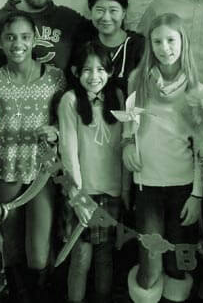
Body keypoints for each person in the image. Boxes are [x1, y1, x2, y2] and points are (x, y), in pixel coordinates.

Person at [0, 11, 66, 302]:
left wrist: (56, 130)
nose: (18, 44)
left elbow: (69, 121)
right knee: (12, 251)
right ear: (0, 42)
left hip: (43, 174)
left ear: (34, 39)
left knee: (39, 255)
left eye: (25, 37)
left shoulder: (55, 77)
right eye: (11, 37)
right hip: (5, 173)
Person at [122, 13, 203, 303]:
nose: (164, 47)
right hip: (148, 189)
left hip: (183, 190)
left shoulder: (196, 91)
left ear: (183, 43)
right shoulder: (138, 82)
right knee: (151, 268)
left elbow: (200, 151)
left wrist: (197, 196)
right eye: (157, 41)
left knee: (177, 267)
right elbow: (129, 127)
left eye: (171, 40)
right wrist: (128, 145)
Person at [57, 41, 127, 303]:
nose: (94, 76)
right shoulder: (71, 100)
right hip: (82, 192)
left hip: (112, 190)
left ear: (109, 71)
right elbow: (69, 152)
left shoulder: (118, 98)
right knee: (81, 257)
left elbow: (125, 146)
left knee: (105, 257)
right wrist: (77, 198)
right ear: (75, 71)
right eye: (87, 70)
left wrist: (126, 190)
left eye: (100, 69)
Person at [86, 0, 145, 97]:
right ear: (91, 11)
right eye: (100, 10)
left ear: (123, 13)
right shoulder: (85, 46)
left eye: (113, 10)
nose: (106, 18)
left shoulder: (138, 46)